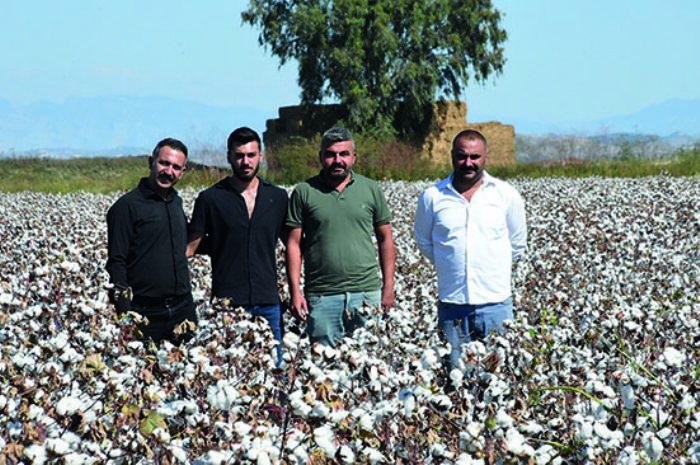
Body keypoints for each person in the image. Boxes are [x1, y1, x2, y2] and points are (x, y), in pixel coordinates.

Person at [413, 129, 527, 370]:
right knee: (454, 378)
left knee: (500, 379)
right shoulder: (432, 197)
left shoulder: (506, 195)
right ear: (452, 156)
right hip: (452, 306)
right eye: (462, 156)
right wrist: (450, 263)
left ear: (486, 157)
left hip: (496, 305)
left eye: (475, 157)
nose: (468, 163)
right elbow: (424, 242)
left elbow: (516, 244)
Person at [286, 127, 396, 347]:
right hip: (321, 296)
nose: (337, 160)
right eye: (330, 154)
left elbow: (386, 240)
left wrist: (388, 287)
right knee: (323, 370)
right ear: (321, 157)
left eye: (344, 154)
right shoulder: (304, 192)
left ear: (353, 157)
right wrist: (295, 292)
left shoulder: (370, 189)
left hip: (366, 293)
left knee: (369, 367)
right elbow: (293, 245)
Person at [187, 127, 288, 363]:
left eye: (251, 155)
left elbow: (292, 244)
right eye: (240, 155)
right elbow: (190, 248)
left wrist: (297, 291)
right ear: (229, 157)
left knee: (275, 371)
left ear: (260, 156)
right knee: (230, 371)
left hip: (268, 301)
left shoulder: (278, 197)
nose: (246, 161)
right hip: (228, 305)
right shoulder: (210, 199)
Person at [106, 138, 197, 344]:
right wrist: (125, 317)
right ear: (150, 162)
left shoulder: (176, 203)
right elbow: (116, 262)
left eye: (176, 167)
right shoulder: (126, 207)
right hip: (145, 313)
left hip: (183, 309)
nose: (169, 171)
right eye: (164, 163)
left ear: (183, 173)